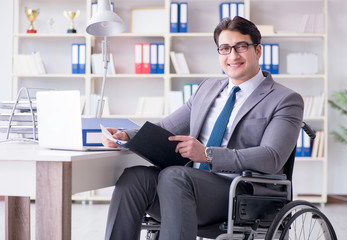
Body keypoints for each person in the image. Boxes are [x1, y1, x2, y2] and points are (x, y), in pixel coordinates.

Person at [102, 16, 304, 240]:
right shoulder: (207, 88)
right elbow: (166, 128)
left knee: (174, 176)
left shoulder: (285, 99)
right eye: (225, 49)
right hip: (187, 187)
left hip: (241, 192)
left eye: (241, 47)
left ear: (258, 51)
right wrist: (126, 135)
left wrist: (207, 155)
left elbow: (272, 157)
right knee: (134, 177)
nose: (233, 56)